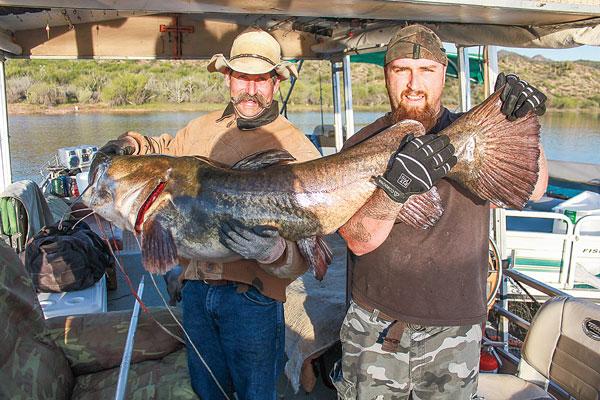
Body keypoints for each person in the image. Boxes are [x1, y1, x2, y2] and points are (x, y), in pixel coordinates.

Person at [332, 25, 549, 399]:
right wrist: (394, 191)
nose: (413, 83)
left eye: (426, 71)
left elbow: (535, 187)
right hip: (376, 325)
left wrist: (521, 122)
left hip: (456, 328)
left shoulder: (479, 135)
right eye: (401, 69)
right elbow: (358, 241)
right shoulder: (360, 144)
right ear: (386, 75)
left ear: (443, 74)